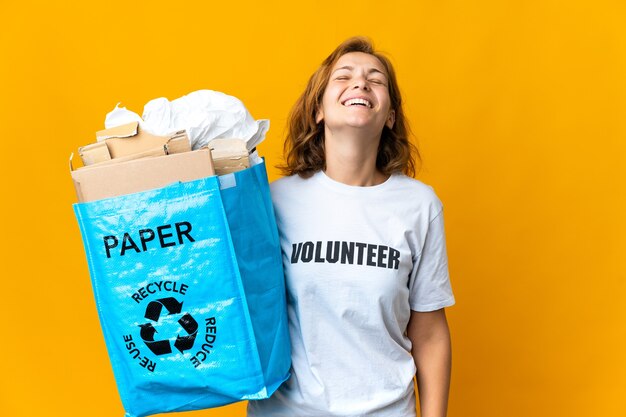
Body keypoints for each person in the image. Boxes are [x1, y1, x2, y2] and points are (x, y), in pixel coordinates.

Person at [248, 36, 455, 417]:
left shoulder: (419, 205)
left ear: (389, 115)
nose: (360, 83)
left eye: (375, 80)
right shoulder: (272, 202)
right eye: (343, 77)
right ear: (318, 110)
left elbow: (428, 333)